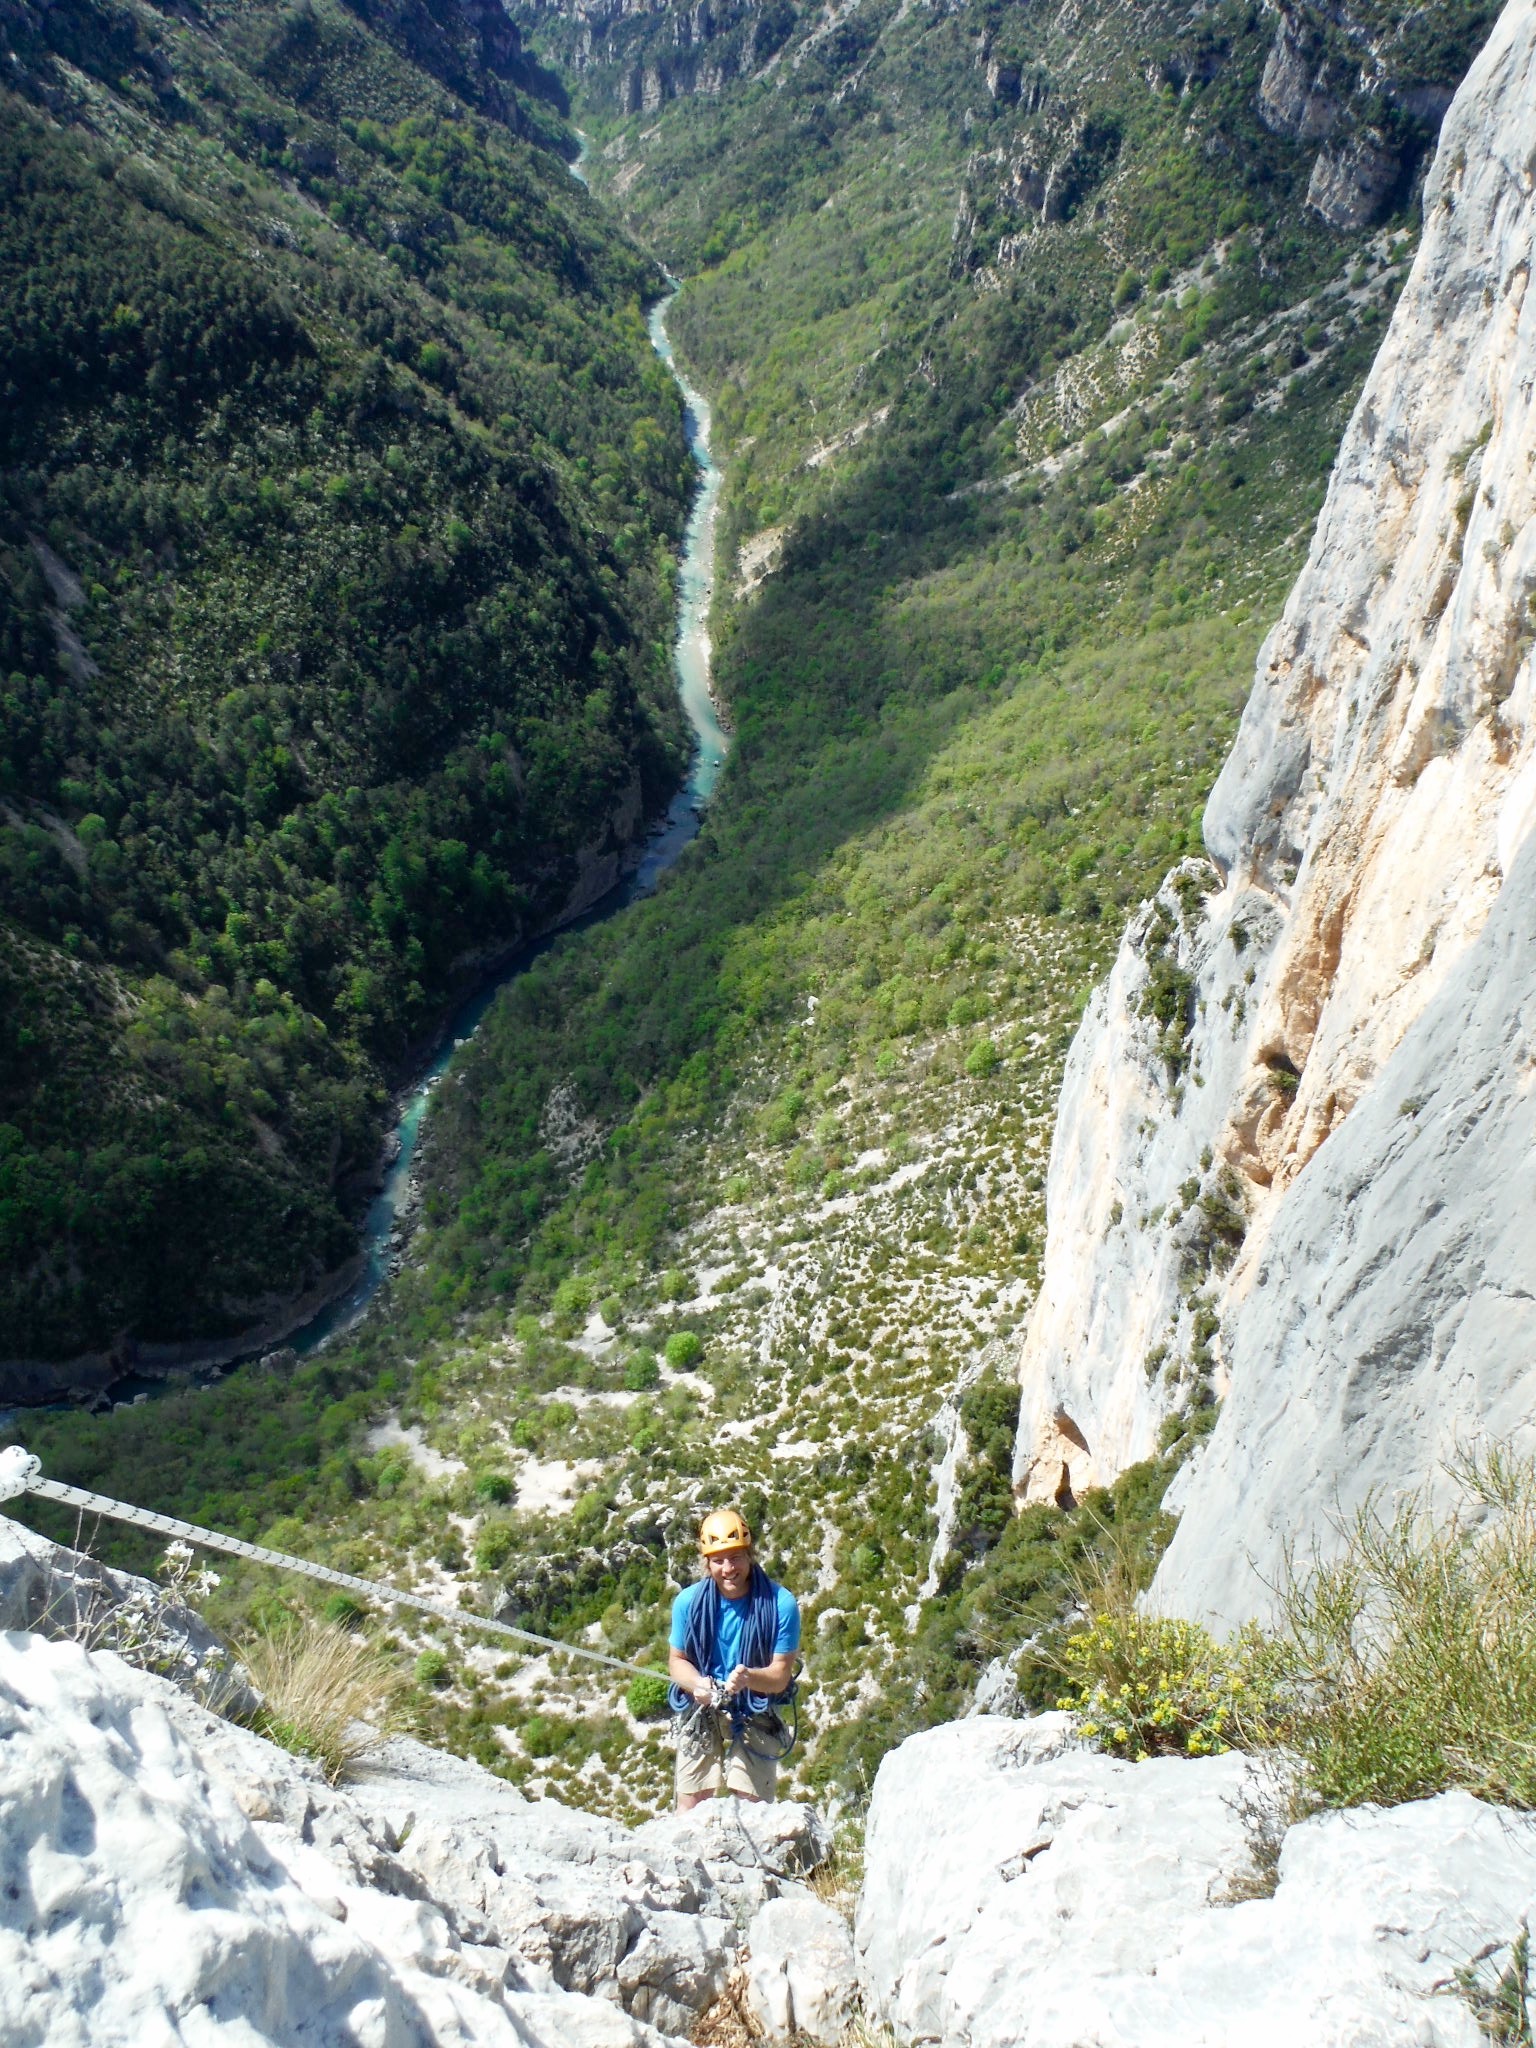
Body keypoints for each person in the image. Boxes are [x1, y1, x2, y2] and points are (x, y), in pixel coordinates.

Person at [668, 1507, 800, 1810]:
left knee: (753, 1807)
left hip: (756, 1705)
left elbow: (780, 1675)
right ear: (707, 1562)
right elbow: (677, 1661)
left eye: (736, 1557)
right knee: (691, 1805)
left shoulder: (781, 1604)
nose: (728, 1568)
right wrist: (697, 1684)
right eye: (718, 1560)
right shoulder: (688, 1603)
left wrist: (749, 1678)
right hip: (705, 1703)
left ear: (749, 1554)